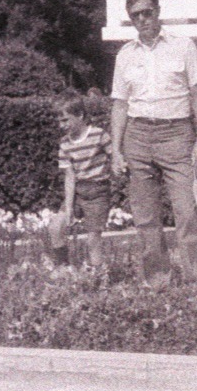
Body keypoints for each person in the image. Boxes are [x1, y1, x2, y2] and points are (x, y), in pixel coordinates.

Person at [109, 0, 197, 282]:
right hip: (137, 136)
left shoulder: (183, 46)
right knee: (145, 217)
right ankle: (158, 283)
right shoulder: (125, 55)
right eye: (135, 16)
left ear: (158, 11)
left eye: (147, 12)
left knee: (187, 212)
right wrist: (116, 150)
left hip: (176, 134)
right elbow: (119, 103)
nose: (142, 19)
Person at [55, 94, 111, 271]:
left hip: (98, 192)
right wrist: (69, 207)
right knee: (56, 227)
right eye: (59, 121)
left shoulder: (99, 135)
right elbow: (69, 176)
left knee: (93, 238)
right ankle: (63, 268)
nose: (61, 125)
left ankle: (100, 277)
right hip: (78, 191)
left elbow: (115, 157)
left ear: (79, 115)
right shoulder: (64, 144)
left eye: (65, 120)